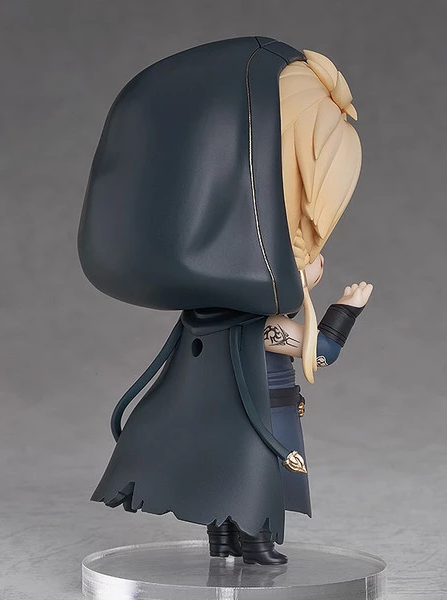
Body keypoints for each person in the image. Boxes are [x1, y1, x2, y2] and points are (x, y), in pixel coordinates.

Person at [78, 37, 372, 566]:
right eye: (301, 231)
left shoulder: (204, 320)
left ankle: (223, 538)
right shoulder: (255, 328)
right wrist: (344, 311)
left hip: (226, 419)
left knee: (226, 473)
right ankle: (254, 541)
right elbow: (322, 353)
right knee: (252, 477)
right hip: (262, 416)